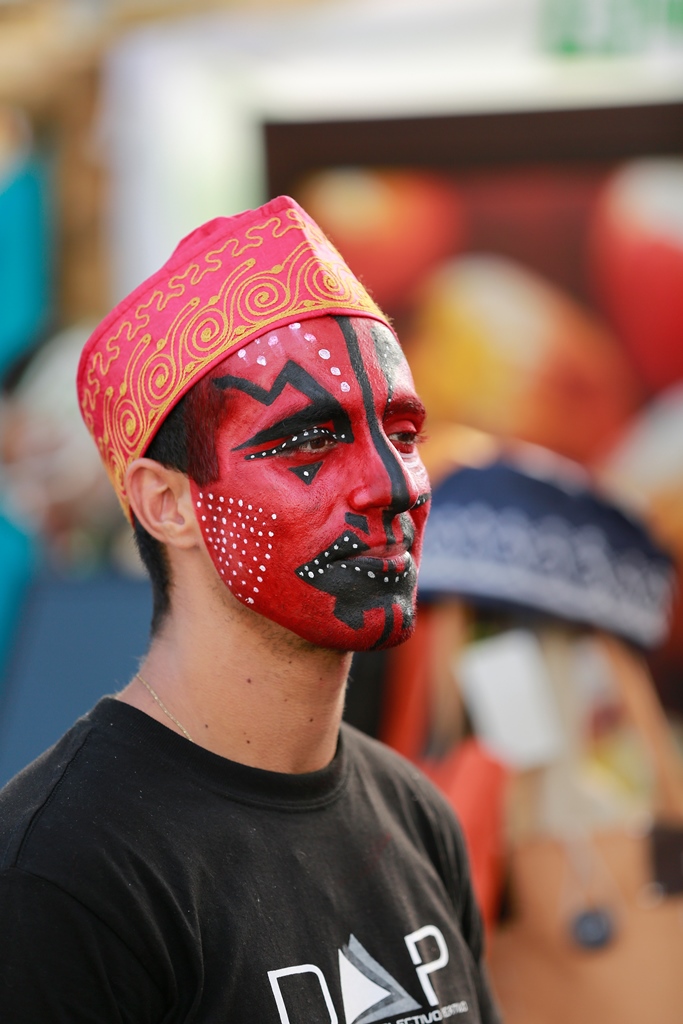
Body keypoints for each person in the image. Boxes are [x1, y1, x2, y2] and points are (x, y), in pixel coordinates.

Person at [0, 196, 501, 1023]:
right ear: (166, 503)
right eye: (310, 443)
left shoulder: (414, 817)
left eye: (403, 434)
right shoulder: (60, 874)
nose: (393, 485)